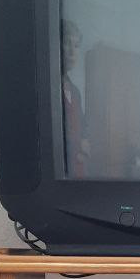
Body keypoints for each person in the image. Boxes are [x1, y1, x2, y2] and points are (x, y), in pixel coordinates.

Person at [61, 20, 91, 177]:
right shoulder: (48, 87)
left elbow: (82, 125)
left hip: (78, 167)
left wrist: (85, 143)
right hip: (62, 169)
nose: (73, 52)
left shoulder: (75, 91)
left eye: (77, 45)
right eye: (67, 43)